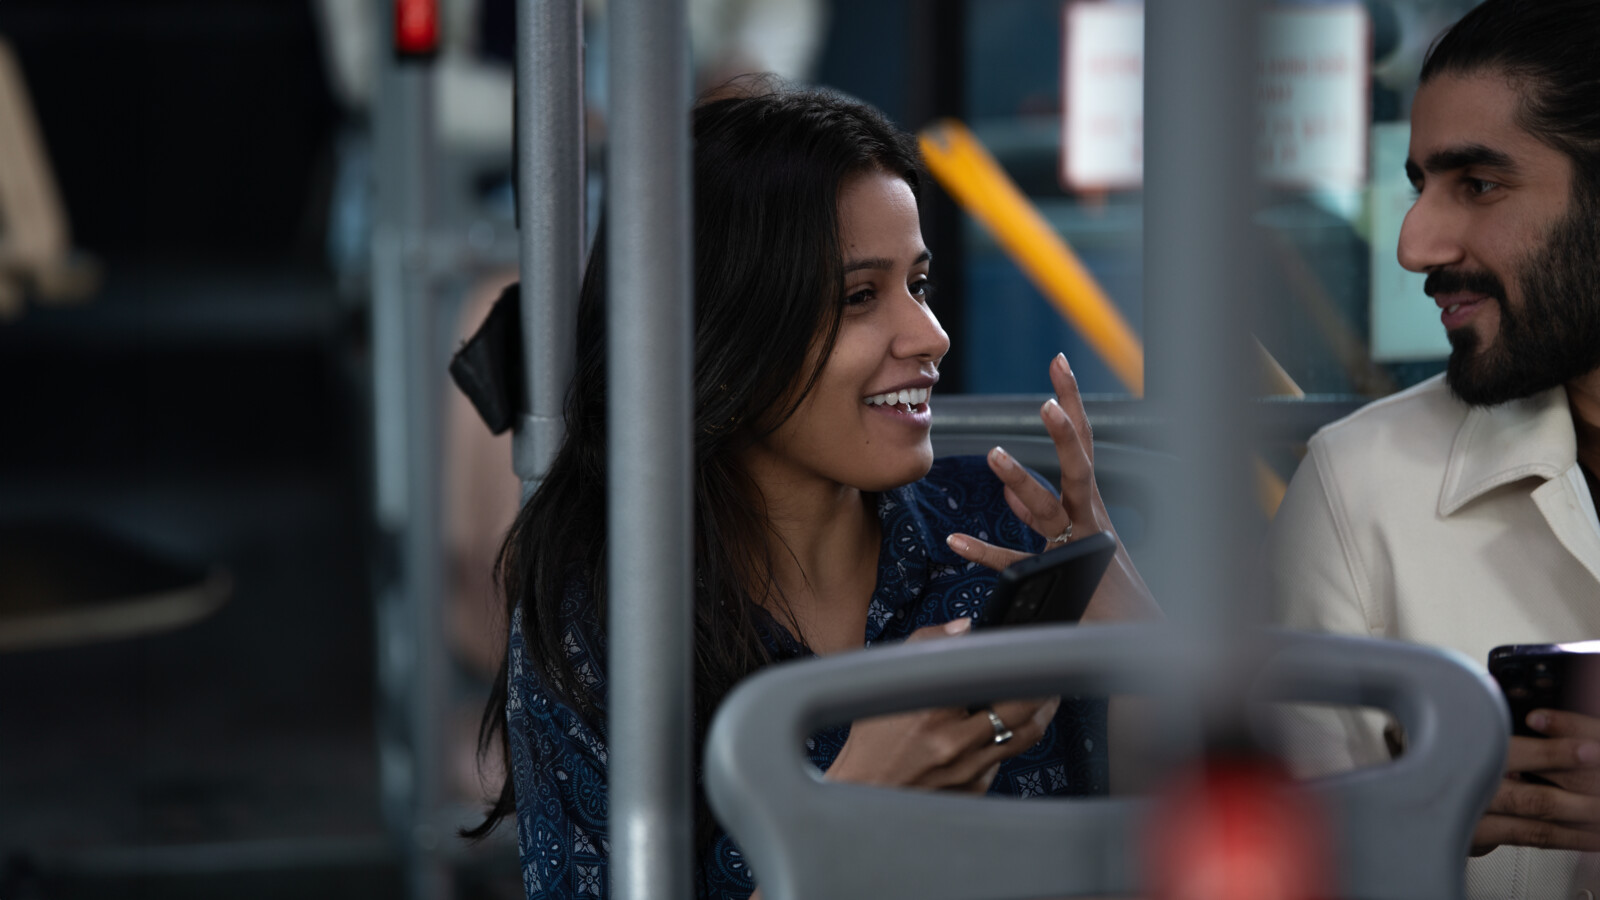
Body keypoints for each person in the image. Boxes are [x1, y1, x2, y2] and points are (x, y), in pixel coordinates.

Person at [463, 83, 1157, 898]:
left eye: (920, 284)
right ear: (728, 336)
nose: (931, 335)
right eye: (861, 297)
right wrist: (859, 804)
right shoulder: (603, 620)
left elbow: (1202, 839)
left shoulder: (999, 526)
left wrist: (1138, 635)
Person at [1267, 0, 1600, 895]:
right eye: (1419, 184)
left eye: (1478, 185)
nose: (1415, 244)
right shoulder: (1361, 485)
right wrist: (1395, 827)